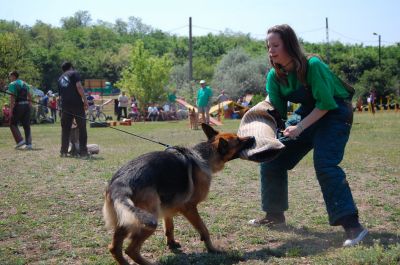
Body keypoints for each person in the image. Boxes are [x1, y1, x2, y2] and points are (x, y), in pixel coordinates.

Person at [249, 24, 367, 247]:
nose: (271, 51)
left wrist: (300, 127)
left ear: (290, 45)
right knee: (271, 156)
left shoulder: (313, 65)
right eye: (268, 46)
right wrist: (259, 133)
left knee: (325, 164)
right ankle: (274, 216)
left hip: (335, 112)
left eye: (276, 45)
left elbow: (325, 104)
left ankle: (353, 226)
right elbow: (277, 112)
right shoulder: (275, 76)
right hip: (309, 114)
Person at [57, 62, 88, 157]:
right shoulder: (74, 73)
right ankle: (83, 151)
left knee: (65, 129)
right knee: (82, 127)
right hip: (76, 104)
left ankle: (63, 151)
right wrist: (85, 100)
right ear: (71, 67)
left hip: (65, 105)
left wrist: (60, 108)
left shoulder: (59, 79)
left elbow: (60, 95)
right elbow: (79, 86)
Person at [7, 71, 33, 149]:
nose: (9, 78)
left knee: (12, 123)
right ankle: (29, 144)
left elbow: (12, 98)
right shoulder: (24, 83)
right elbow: (29, 95)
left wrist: (11, 110)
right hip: (26, 106)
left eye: (10, 76)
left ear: (14, 76)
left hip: (19, 105)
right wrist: (30, 104)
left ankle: (20, 141)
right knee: (26, 125)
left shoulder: (12, 84)